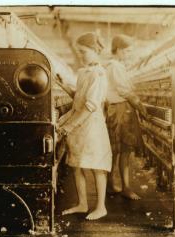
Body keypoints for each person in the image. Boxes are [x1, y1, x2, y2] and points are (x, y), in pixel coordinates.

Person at [56, 32, 112, 220]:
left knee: (97, 166)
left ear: (96, 51)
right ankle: (82, 203)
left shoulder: (98, 74)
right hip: (80, 125)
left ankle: (101, 207)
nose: (81, 55)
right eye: (79, 52)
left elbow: (90, 106)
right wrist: (64, 85)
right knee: (76, 164)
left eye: (84, 51)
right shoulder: (83, 73)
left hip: (91, 126)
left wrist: (70, 126)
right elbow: (79, 98)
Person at [105, 34, 151, 200]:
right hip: (120, 111)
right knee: (124, 150)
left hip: (117, 110)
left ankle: (112, 185)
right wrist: (139, 105)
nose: (130, 54)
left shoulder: (115, 66)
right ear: (118, 50)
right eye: (128, 50)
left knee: (116, 150)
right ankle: (125, 187)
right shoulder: (115, 66)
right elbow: (124, 90)